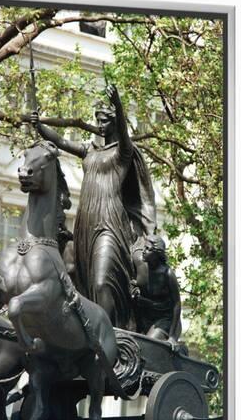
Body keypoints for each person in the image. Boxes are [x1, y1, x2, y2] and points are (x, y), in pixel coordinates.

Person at [30, 85, 156, 329]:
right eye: (98, 120)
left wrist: (118, 105)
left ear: (114, 122)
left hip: (110, 223)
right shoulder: (89, 150)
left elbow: (124, 132)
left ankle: (108, 336)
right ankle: (89, 332)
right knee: (85, 283)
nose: (100, 125)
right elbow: (61, 141)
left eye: (105, 120)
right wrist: (39, 126)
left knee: (101, 282)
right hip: (86, 224)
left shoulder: (123, 153)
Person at [130, 235, 182, 346]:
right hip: (147, 318)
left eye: (148, 249)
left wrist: (172, 337)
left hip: (165, 320)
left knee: (148, 346)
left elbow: (177, 304)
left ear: (157, 254)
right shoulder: (142, 266)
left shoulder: (167, 274)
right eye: (144, 248)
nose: (144, 251)